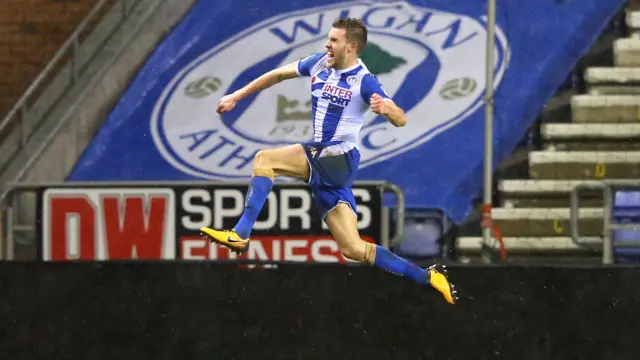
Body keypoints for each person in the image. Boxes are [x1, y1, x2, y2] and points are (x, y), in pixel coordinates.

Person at [201, 17, 457, 304]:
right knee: (354, 249)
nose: (327, 44)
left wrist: (388, 109)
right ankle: (429, 277)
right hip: (329, 164)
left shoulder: (364, 80)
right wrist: (237, 95)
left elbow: (401, 118)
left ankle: (241, 233)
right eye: (328, 38)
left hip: (337, 158)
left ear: (351, 47)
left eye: (334, 40)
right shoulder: (319, 62)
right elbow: (277, 74)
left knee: (265, 159)